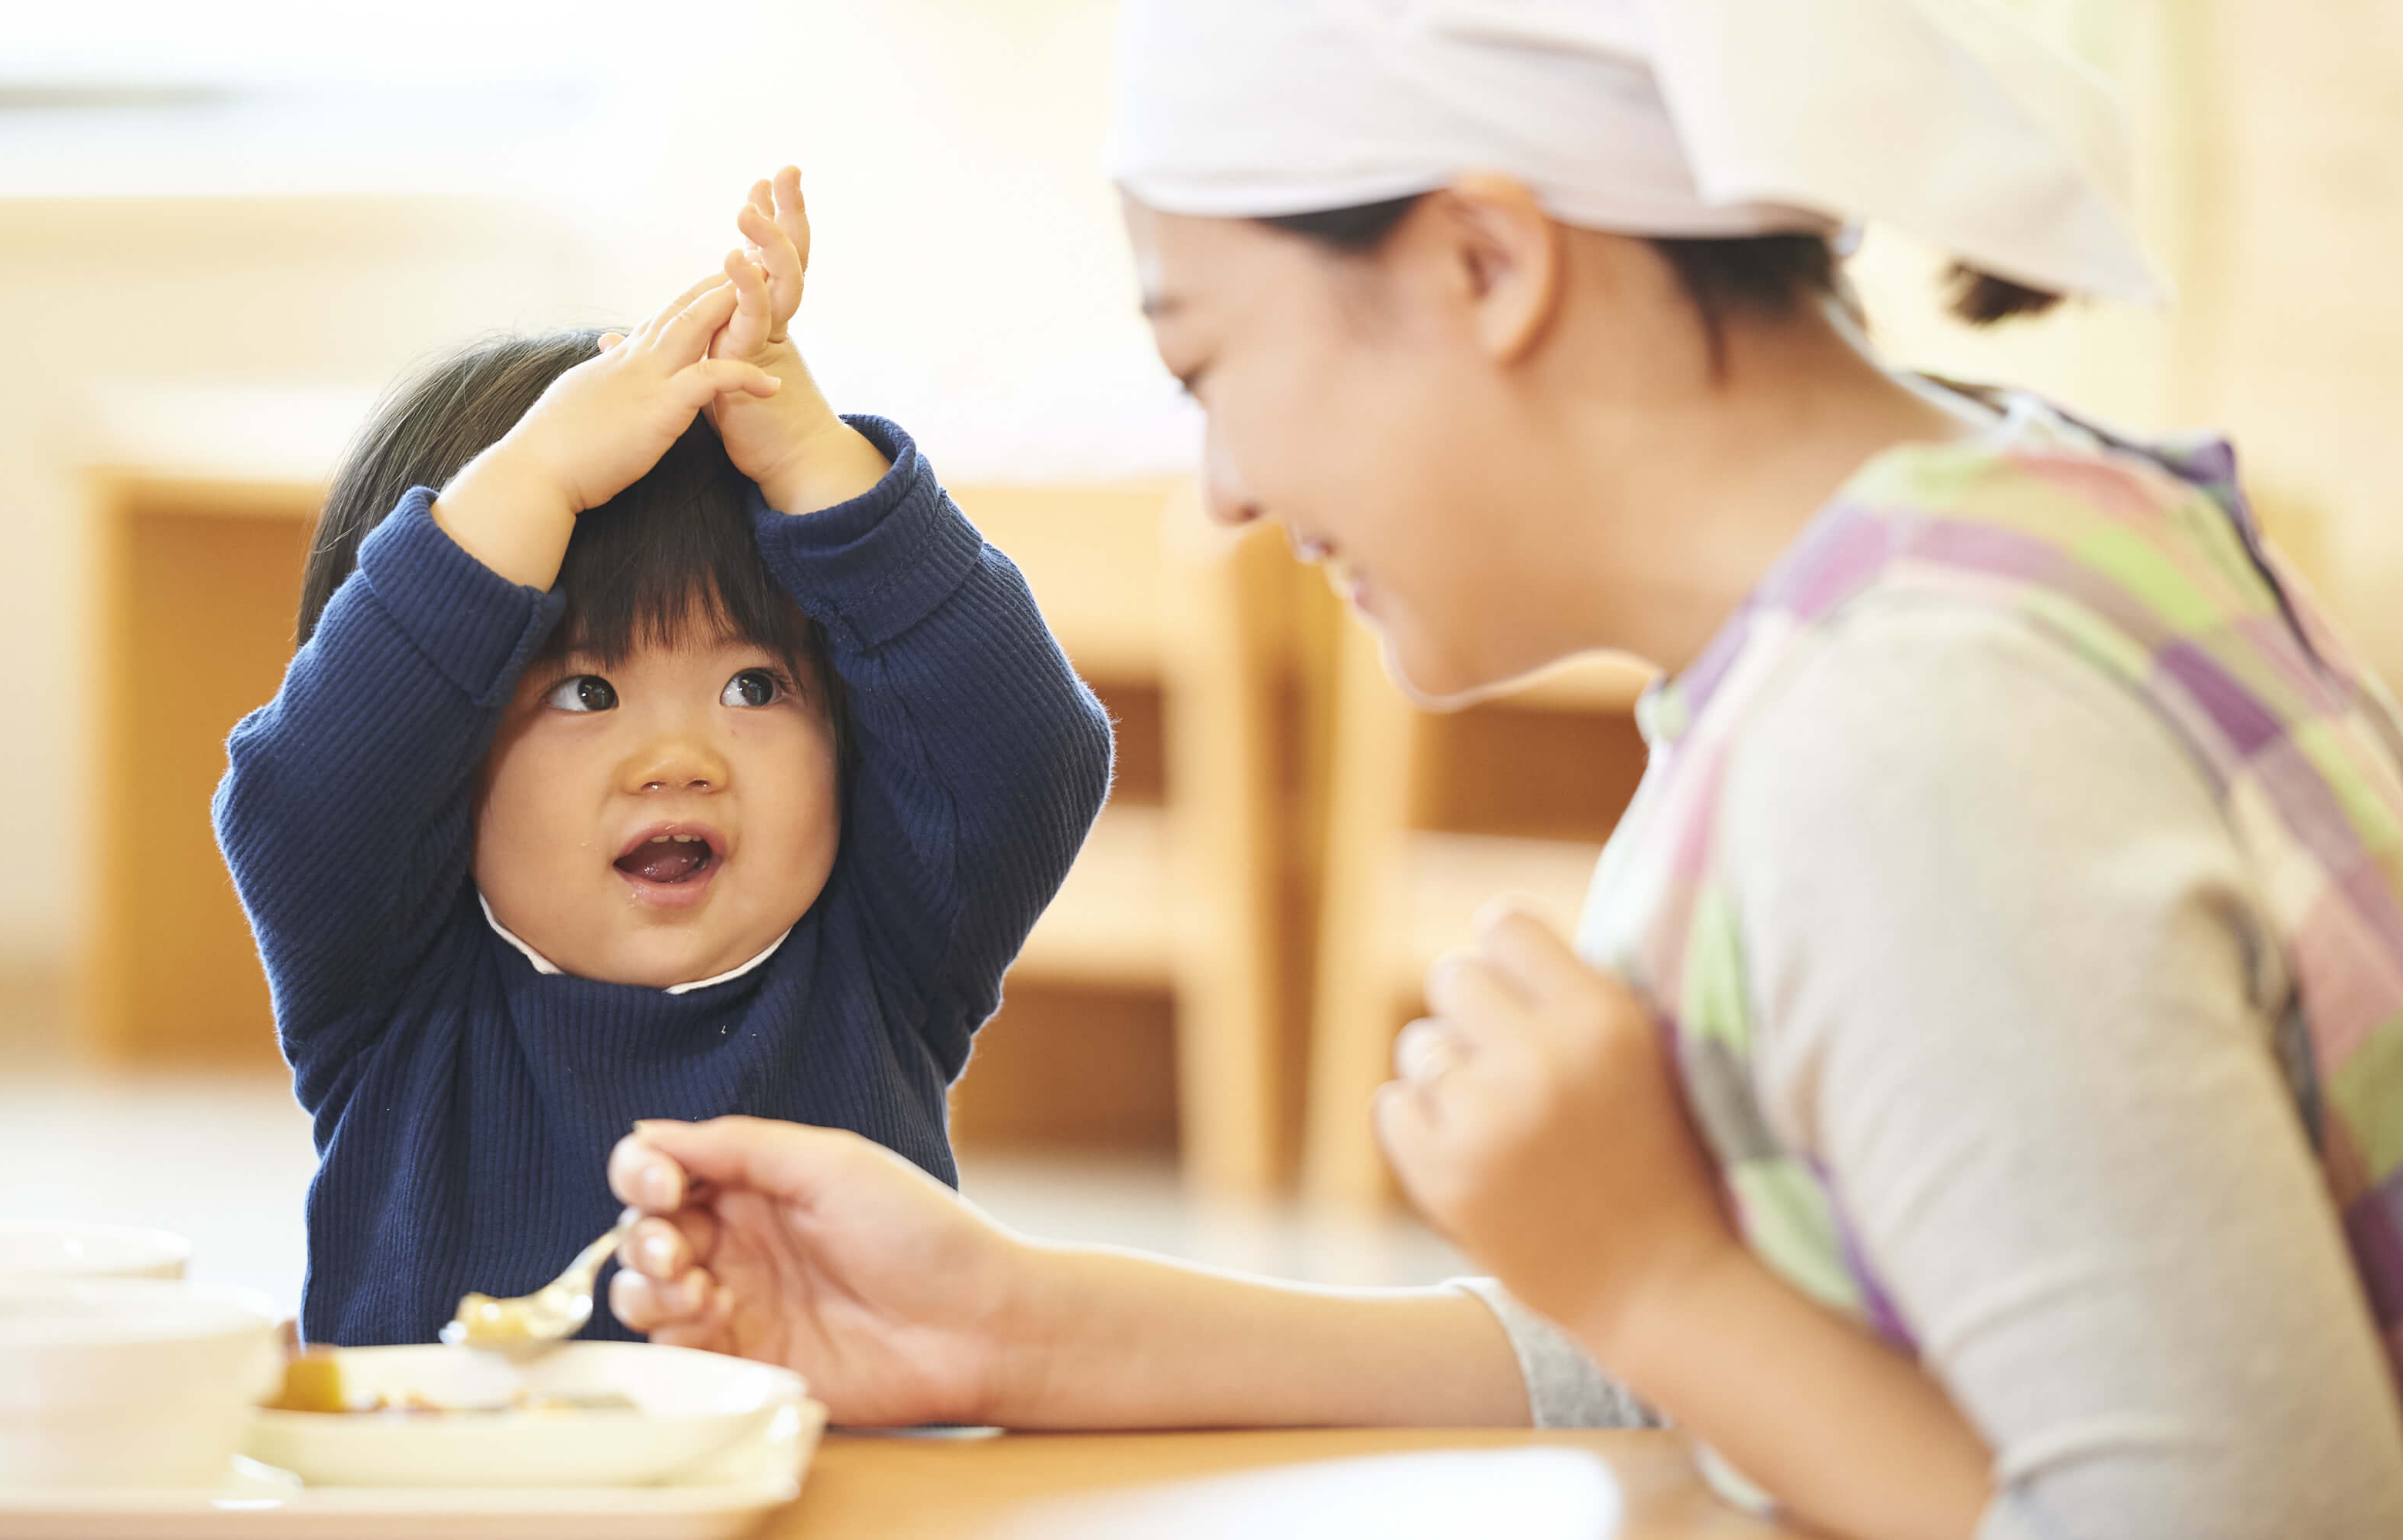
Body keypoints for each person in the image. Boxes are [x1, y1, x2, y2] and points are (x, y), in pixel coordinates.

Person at [602, 8, 2403, 1540]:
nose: (1216, 491)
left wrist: (1658, 1271)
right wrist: (1016, 1326)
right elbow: (1844, 1365)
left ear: (1490, 260)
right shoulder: (2007, 531)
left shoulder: (1919, 736)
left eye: (1207, 362)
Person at [214, 169, 1113, 1348]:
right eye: (587, 691)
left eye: (756, 686)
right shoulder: (395, 993)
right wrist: (532, 480)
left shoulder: (885, 960)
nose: (681, 759)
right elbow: (312, 798)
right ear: (442, 749)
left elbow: (1024, 752)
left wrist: (813, 458)